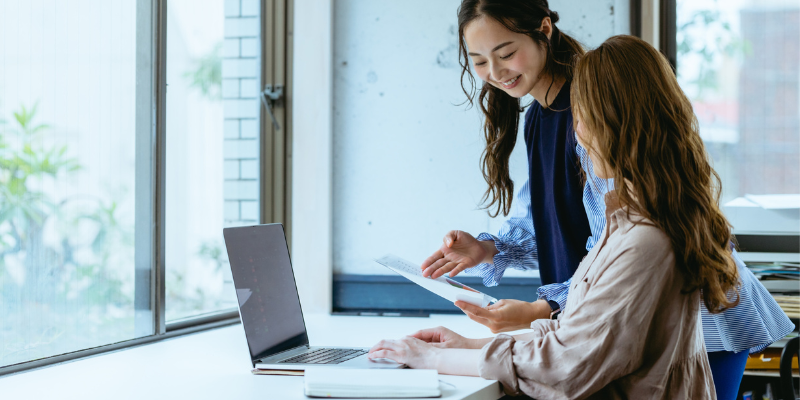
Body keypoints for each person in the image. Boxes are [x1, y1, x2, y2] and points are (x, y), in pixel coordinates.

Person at [417, 1, 795, 398]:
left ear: (544, 30)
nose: (495, 73)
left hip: (699, 316)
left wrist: (544, 311)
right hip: (626, 313)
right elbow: (549, 217)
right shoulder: (540, 118)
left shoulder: (595, 119)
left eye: (507, 53)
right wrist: (490, 248)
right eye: (478, 61)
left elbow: (620, 253)